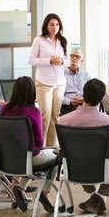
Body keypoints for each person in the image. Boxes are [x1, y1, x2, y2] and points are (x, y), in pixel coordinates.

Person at [58, 78, 109, 215]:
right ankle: (99, 197)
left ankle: (94, 196)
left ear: (83, 94)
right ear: (102, 99)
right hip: (101, 169)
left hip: (75, 168)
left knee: (78, 155)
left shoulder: (63, 120)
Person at [0, 76, 56, 213]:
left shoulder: (4, 108)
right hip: (29, 156)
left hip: (7, 157)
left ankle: (21, 187)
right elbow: (40, 142)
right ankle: (44, 193)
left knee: (29, 159)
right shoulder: (33, 111)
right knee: (57, 155)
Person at [28, 13, 70, 147]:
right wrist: (49, 60)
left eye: (57, 24)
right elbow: (31, 60)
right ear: (46, 25)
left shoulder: (63, 41)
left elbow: (68, 62)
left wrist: (62, 60)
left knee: (55, 117)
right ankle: (40, 146)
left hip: (59, 83)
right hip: (44, 83)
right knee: (44, 117)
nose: (55, 27)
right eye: (52, 24)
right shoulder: (39, 40)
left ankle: (51, 149)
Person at [60, 49, 91, 115]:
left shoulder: (86, 75)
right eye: (72, 56)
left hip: (84, 104)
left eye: (77, 57)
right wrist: (69, 101)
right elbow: (57, 95)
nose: (74, 58)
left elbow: (90, 93)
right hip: (68, 105)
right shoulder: (61, 73)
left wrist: (84, 99)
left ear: (81, 61)